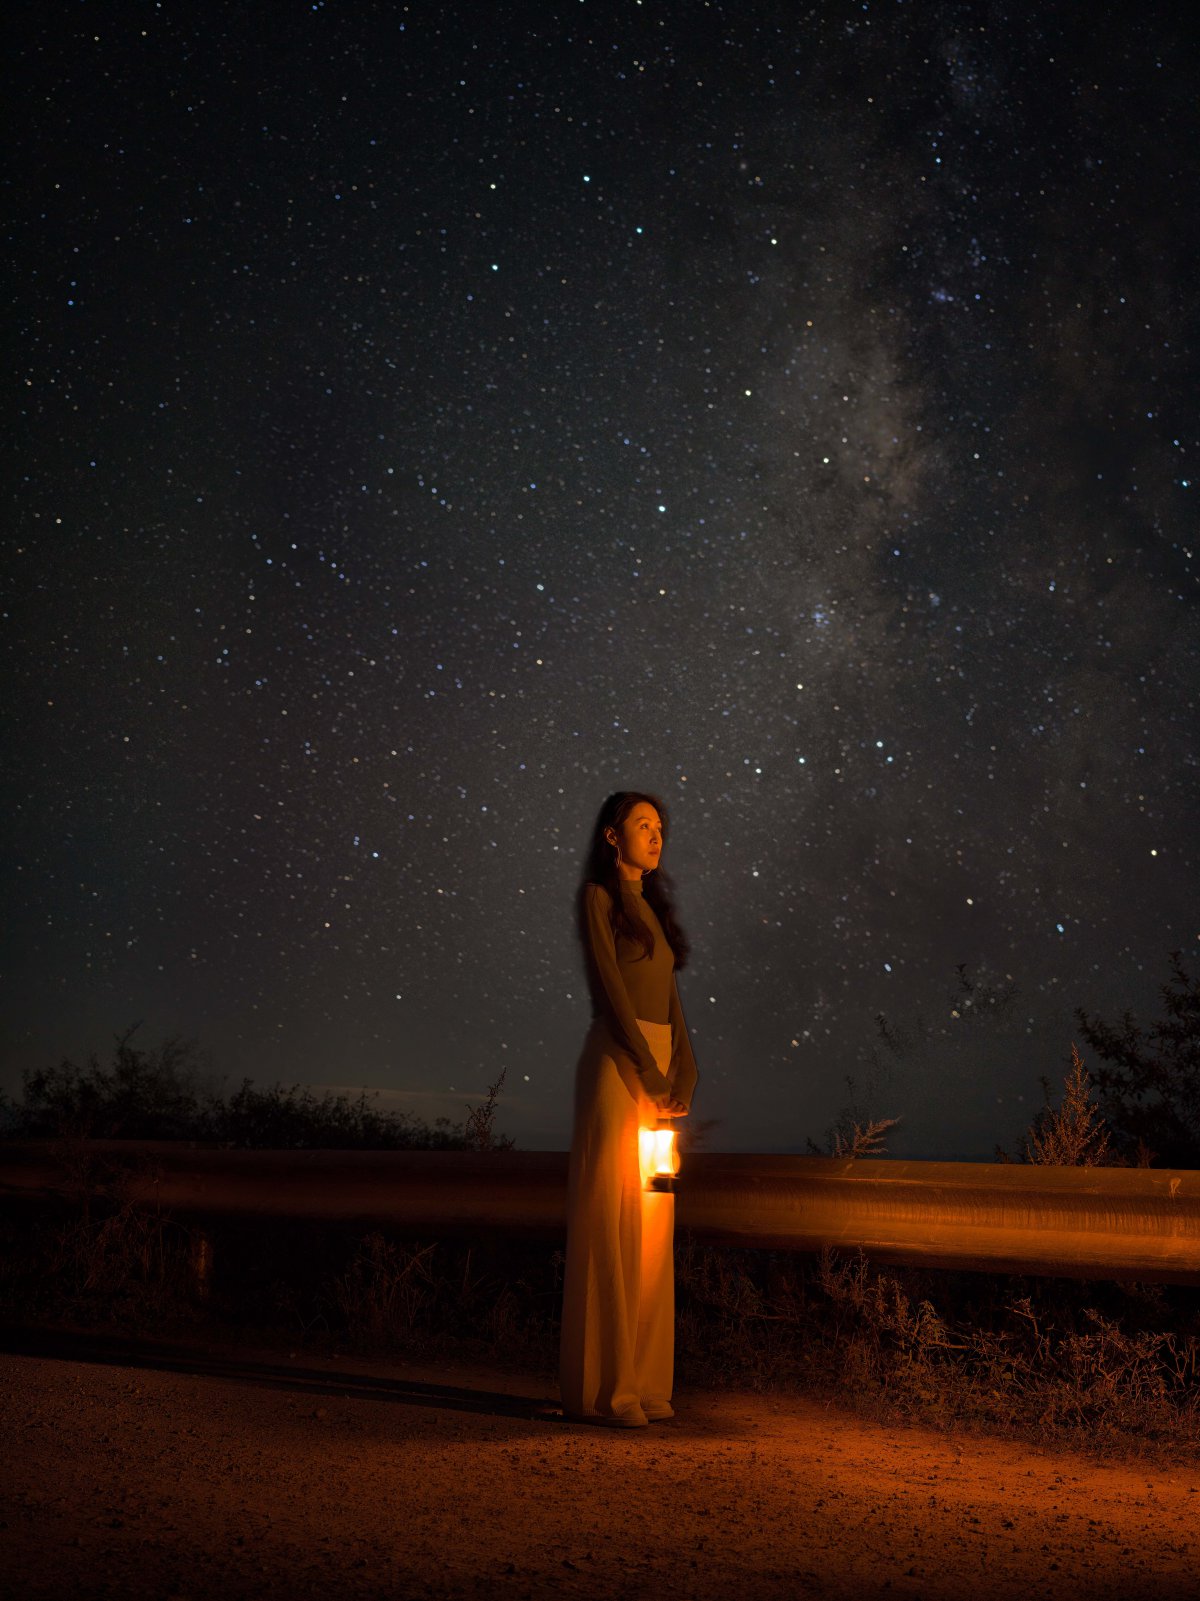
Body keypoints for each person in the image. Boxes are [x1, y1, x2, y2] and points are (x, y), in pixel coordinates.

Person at [559, 790, 699, 1427]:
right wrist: (647, 1066)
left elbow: (670, 999)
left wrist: (686, 1071)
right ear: (612, 836)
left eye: (660, 827)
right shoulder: (599, 899)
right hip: (620, 1064)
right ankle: (604, 1391)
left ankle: (646, 1385)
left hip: (661, 1065)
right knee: (614, 1219)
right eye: (642, 825)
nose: (656, 834)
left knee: (654, 1227)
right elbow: (613, 993)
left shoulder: (655, 910)